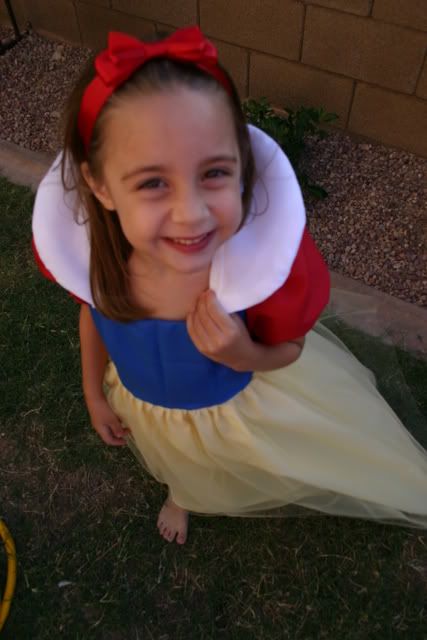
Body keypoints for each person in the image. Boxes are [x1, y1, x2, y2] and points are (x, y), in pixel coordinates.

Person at [32, 27, 427, 545]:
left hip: (235, 407)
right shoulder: (96, 262)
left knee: (223, 463)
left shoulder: (257, 273)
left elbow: (289, 348)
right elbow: (94, 315)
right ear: (100, 186)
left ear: (242, 165)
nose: (191, 213)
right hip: (147, 403)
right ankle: (183, 491)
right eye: (153, 182)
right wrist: (93, 392)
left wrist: (243, 353)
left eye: (214, 172)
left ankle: (189, 492)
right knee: (180, 459)